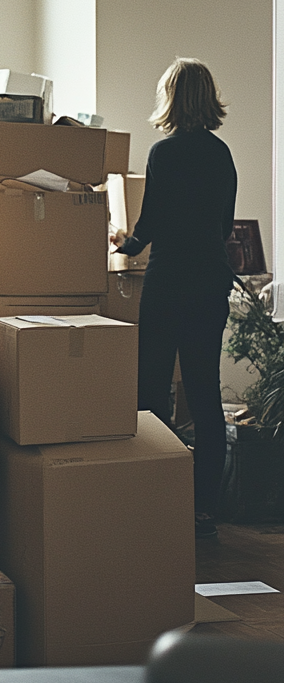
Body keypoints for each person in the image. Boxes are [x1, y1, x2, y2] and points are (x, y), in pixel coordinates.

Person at [112, 58, 237, 539]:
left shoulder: (164, 153)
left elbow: (150, 224)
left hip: (167, 285)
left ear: (171, 98)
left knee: (151, 392)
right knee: (205, 396)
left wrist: (121, 244)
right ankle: (204, 509)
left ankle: (155, 495)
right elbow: (222, 227)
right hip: (209, 285)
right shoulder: (221, 154)